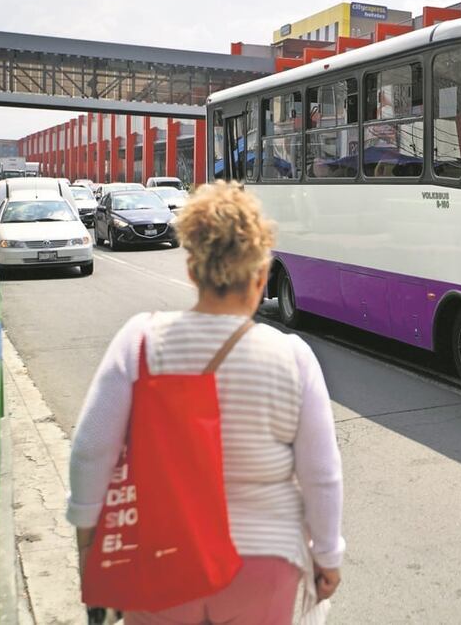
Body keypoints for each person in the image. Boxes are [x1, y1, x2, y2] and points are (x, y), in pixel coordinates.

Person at [68, 181, 343, 624]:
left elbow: (90, 451)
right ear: (259, 277)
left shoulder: (140, 341)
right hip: (265, 563)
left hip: (160, 555)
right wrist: (328, 555)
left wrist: (87, 548)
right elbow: (321, 475)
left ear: (193, 272)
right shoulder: (292, 357)